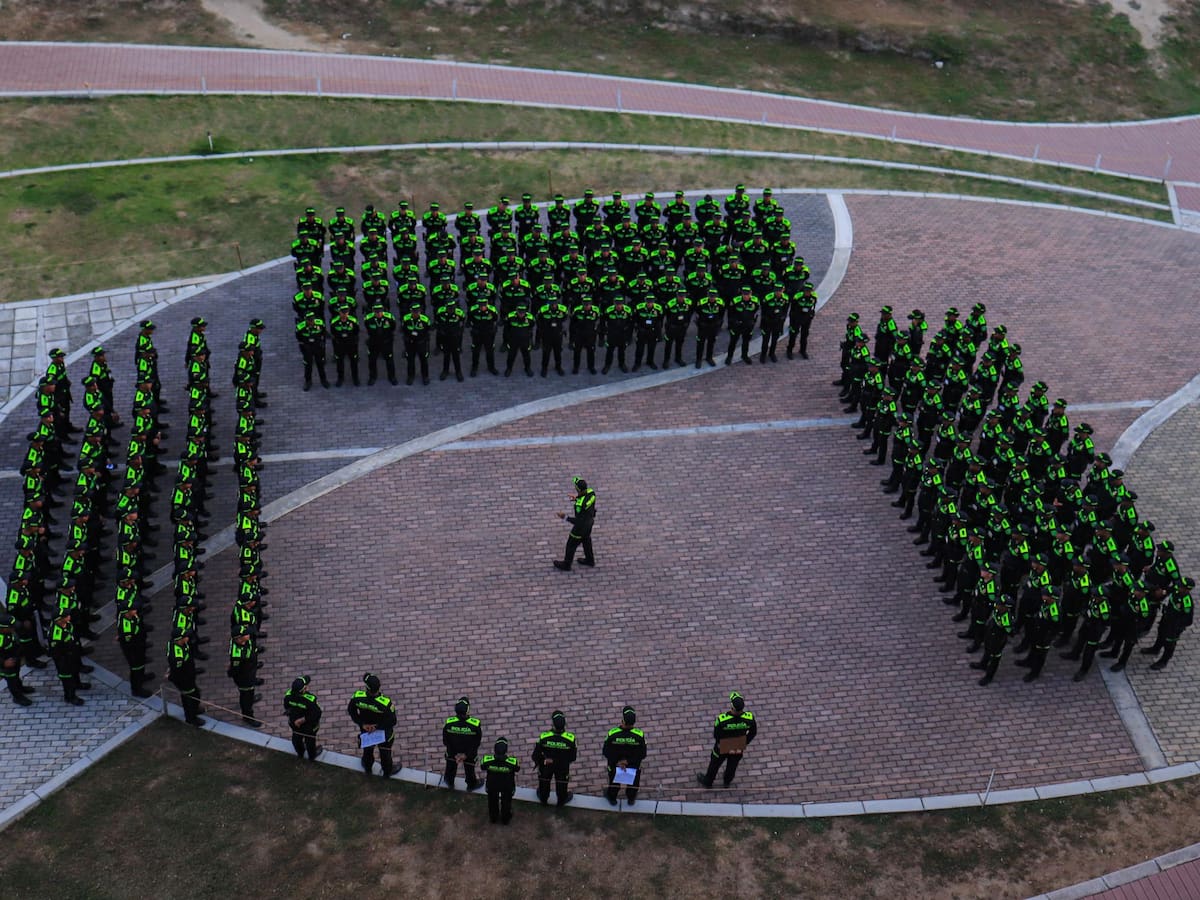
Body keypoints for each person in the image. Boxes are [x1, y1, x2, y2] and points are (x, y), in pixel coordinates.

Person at [696, 691, 757, 788]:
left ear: (732, 706)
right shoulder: (749, 718)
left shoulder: (722, 719)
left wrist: (721, 743)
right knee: (732, 765)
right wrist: (744, 742)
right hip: (738, 746)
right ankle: (727, 781)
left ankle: (708, 781)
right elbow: (753, 732)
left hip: (722, 746)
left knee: (714, 764)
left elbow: (716, 734)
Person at [348, 672, 398, 776]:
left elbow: (351, 711)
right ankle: (387, 770)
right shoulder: (385, 703)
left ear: (367, 688)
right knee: (385, 752)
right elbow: (392, 721)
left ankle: (367, 767)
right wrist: (377, 727)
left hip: (366, 730)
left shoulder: (357, 697)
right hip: (383, 733)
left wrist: (362, 724)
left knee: (368, 750)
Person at [603, 705, 647, 806]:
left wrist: (619, 761)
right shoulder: (639, 735)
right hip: (633, 765)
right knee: (633, 784)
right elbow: (642, 754)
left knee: (614, 782)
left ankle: (612, 798)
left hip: (615, 764)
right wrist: (628, 761)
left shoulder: (612, 734)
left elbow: (606, 751)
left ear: (622, 720)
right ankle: (631, 799)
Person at [532, 710, 577, 807]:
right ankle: (561, 800)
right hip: (562, 766)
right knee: (561, 784)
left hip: (546, 765)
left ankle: (543, 799)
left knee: (544, 782)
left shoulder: (544, 737)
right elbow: (573, 757)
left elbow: (535, 755)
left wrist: (544, 760)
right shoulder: (570, 739)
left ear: (553, 724)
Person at [442, 696, 484, 791]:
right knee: (470, 769)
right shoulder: (475, 724)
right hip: (469, 753)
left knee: (450, 768)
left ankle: (449, 782)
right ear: (467, 711)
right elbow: (477, 742)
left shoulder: (449, 723)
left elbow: (445, 740)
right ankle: (471, 785)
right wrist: (466, 755)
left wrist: (455, 754)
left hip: (452, 752)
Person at [554, 477, 596, 571]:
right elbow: (586, 501)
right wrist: (577, 498)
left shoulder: (579, 506)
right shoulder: (591, 493)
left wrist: (565, 517)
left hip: (580, 528)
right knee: (586, 541)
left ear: (578, 489)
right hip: (590, 523)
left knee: (571, 545)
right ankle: (590, 560)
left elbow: (578, 521)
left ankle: (566, 564)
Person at [481, 737, 521, 825]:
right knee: (506, 803)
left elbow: (482, 767)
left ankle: (493, 817)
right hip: (506, 786)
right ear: (506, 750)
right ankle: (505, 819)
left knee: (492, 801)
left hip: (492, 785)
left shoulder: (486, 760)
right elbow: (517, 769)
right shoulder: (513, 762)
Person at [284, 675, 323, 760]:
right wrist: (303, 720)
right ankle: (312, 756)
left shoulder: (288, 696)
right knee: (310, 742)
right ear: (303, 690)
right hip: (309, 727)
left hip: (294, 724)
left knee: (296, 738)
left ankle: (300, 753)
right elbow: (317, 714)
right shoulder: (310, 700)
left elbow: (286, 707)